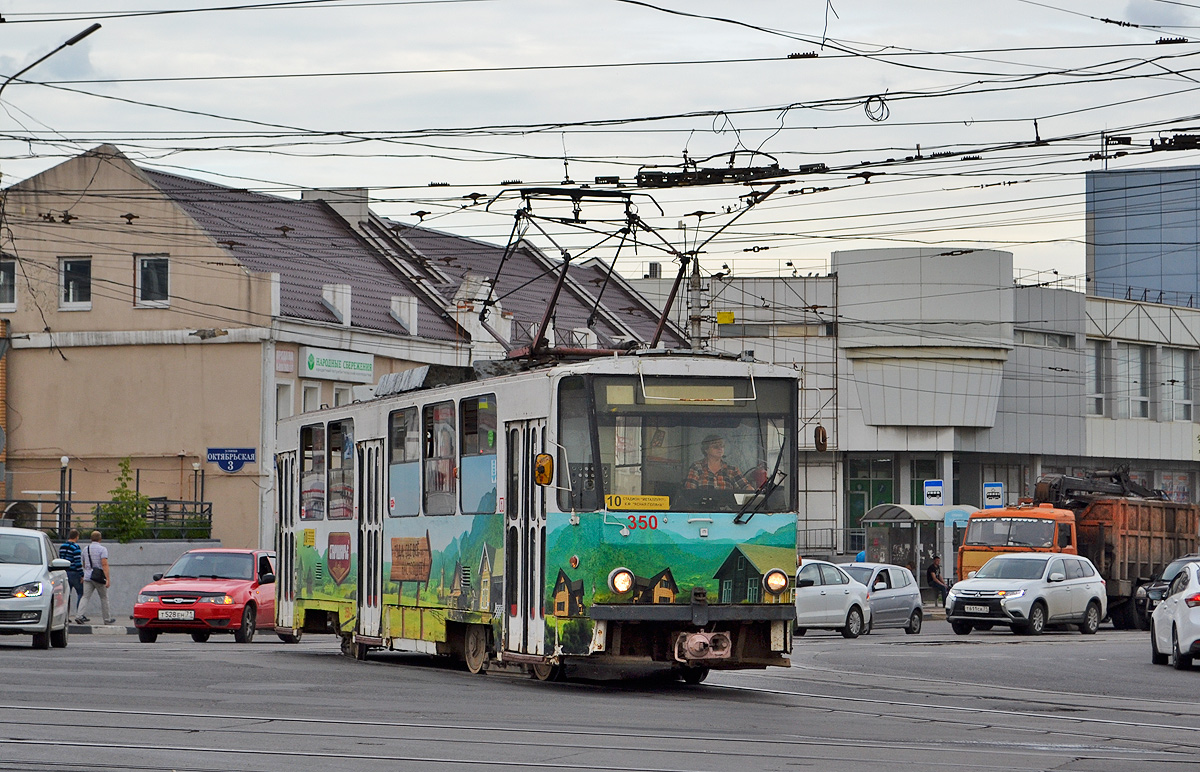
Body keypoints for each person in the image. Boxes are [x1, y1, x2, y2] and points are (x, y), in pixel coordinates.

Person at [684, 434, 750, 490]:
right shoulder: (696, 467)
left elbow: (747, 489)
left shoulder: (732, 470)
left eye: (722, 446)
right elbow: (689, 491)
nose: (720, 448)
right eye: (715, 446)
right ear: (706, 450)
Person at [76, 530, 115, 625]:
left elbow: (84, 564)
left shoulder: (86, 549)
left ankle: (79, 616)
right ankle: (107, 619)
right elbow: (104, 564)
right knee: (104, 598)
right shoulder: (102, 549)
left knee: (85, 597)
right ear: (100, 539)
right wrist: (108, 579)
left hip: (87, 576)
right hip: (98, 577)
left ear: (91, 539)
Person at [58, 529, 84, 615]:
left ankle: (66, 615)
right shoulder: (76, 547)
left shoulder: (62, 547)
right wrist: (82, 574)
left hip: (64, 573)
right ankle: (79, 614)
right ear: (76, 537)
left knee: (66, 595)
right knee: (81, 593)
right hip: (74, 573)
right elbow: (77, 562)